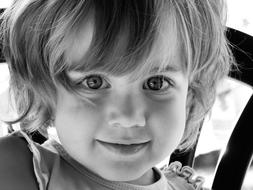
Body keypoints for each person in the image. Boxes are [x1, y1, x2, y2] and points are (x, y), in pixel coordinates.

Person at [0, 0, 234, 189]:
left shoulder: (185, 186)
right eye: (94, 82)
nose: (128, 117)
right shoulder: (17, 170)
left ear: (190, 96)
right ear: (45, 93)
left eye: (156, 83)